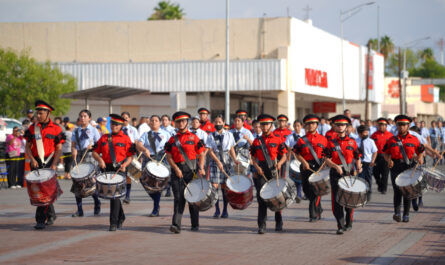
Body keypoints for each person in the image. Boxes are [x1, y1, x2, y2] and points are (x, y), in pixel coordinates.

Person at [24, 100, 65, 230]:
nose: (38, 115)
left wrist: (54, 163)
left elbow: (59, 148)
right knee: (39, 192)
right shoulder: (32, 128)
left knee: (46, 191)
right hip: (36, 162)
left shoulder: (56, 129)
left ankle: (40, 219)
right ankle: (50, 215)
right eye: (37, 113)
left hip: (49, 162)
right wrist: (32, 159)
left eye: (41, 113)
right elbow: (27, 146)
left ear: (48, 113)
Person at [165, 111, 206, 233]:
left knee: (193, 198)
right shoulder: (172, 139)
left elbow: (202, 154)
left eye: (183, 121)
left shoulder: (194, 137)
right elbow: (169, 156)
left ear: (187, 123)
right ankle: (176, 225)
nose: (181, 123)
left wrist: (202, 167)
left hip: (191, 171)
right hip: (177, 171)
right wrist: (176, 169)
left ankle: (195, 224)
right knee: (178, 198)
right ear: (175, 124)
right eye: (178, 121)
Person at [92, 114, 133, 231]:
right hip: (106, 168)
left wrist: (125, 165)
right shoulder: (104, 138)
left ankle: (113, 223)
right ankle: (121, 216)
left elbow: (130, 156)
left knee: (114, 196)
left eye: (117, 124)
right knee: (113, 195)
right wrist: (100, 160)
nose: (114, 126)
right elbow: (94, 152)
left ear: (121, 126)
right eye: (112, 124)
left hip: (120, 168)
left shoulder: (125, 138)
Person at [250, 114, 287, 234]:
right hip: (261, 171)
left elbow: (284, 156)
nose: (264, 127)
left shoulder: (278, 139)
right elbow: (253, 157)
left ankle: (279, 222)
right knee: (262, 198)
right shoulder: (256, 141)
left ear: (271, 125)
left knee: (277, 197)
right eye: (262, 124)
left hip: (274, 170)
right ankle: (262, 225)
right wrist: (256, 168)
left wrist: (280, 164)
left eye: (267, 124)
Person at [383, 115, 424, 223]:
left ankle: (406, 214)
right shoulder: (391, 139)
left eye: (404, 125)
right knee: (397, 191)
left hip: (409, 167)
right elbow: (385, 153)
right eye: (399, 125)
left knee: (407, 191)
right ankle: (397, 213)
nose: (401, 127)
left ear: (408, 126)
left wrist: (420, 158)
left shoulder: (414, 139)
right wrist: (389, 160)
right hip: (396, 167)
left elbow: (421, 151)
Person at [325, 115, 361, 235]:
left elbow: (357, 156)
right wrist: (335, 166)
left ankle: (348, 221)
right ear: (335, 127)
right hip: (336, 173)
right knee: (337, 200)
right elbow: (326, 159)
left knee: (348, 198)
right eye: (338, 125)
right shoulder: (330, 143)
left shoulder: (352, 142)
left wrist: (358, 166)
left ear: (347, 127)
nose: (340, 127)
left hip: (349, 173)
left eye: (343, 125)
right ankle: (340, 225)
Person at [293, 115, 328, 221]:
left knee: (315, 191)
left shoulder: (323, 139)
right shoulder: (301, 140)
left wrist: (324, 165)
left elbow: (327, 154)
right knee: (307, 191)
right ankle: (319, 208)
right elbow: (297, 153)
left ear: (317, 125)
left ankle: (313, 214)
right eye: (308, 124)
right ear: (306, 126)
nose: (311, 126)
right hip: (306, 167)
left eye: (313, 123)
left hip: (319, 167)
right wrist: (304, 162)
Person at [136, 115, 171, 216]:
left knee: (158, 184)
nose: (154, 122)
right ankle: (156, 202)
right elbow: (139, 144)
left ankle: (156, 207)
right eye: (152, 121)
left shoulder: (166, 134)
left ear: (160, 123)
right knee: (144, 181)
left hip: (161, 158)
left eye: (156, 120)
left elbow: (172, 145)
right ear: (149, 123)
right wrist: (144, 149)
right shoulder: (146, 134)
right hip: (149, 158)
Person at [71, 109, 102, 217]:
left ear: (89, 118)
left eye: (85, 116)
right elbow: (73, 144)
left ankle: (97, 202)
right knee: (77, 182)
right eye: (81, 116)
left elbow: (99, 145)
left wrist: (92, 146)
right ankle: (79, 209)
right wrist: (73, 150)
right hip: (79, 157)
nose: (82, 118)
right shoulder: (75, 131)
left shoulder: (94, 130)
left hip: (90, 156)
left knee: (90, 183)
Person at [207, 115, 238, 218]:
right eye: (216, 122)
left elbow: (231, 148)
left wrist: (235, 159)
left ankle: (225, 210)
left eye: (220, 122)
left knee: (225, 187)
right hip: (215, 160)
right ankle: (217, 210)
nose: (218, 124)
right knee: (215, 187)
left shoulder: (229, 134)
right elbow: (210, 151)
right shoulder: (210, 135)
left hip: (227, 161)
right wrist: (217, 161)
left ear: (224, 123)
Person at [121, 111, 140, 204]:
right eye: (123, 117)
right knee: (121, 175)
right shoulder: (118, 129)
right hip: (120, 154)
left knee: (129, 176)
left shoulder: (133, 129)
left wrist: (138, 152)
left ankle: (127, 196)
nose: (125, 119)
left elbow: (136, 141)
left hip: (130, 153)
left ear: (129, 118)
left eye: (126, 117)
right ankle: (121, 193)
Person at [370, 118, 393, 194]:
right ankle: (379, 183)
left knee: (385, 173)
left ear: (386, 126)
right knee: (375, 173)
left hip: (386, 156)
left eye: (383, 125)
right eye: (380, 125)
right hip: (376, 156)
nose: (381, 127)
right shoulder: (374, 135)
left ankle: (384, 189)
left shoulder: (390, 135)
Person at [356, 125, 378, 201]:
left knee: (368, 178)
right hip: (359, 162)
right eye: (364, 132)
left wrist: (373, 160)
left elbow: (375, 151)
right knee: (359, 178)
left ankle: (368, 193)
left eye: (367, 132)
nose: (366, 134)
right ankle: (360, 193)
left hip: (368, 163)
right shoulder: (356, 141)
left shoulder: (371, 141)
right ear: (359, 133)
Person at [285, 120, 304, 199]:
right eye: (295, 126)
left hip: (303, 158)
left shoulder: (304, 135)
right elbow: (286, 146)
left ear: (301, 126)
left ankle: (302, 192)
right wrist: (289, 151)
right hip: (294, 158)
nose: (296, 128)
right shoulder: (290, 136)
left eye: (298, 126)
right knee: (296, 176)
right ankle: (298, 194)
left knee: (304, 176)